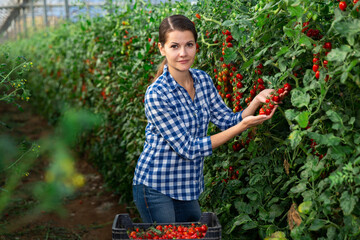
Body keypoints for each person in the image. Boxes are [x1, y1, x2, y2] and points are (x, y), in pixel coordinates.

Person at [132, 15, 278, 223]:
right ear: (161, 49)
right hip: (156, 186)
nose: (183, 53)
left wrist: (255, 102)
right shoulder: (157, 93)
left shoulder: (202, 80)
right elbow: (188, 148)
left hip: (186, 186)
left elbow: (227, 120)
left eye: (189, 45)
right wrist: (243, 126)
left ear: (196, 46)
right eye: (174, 46)